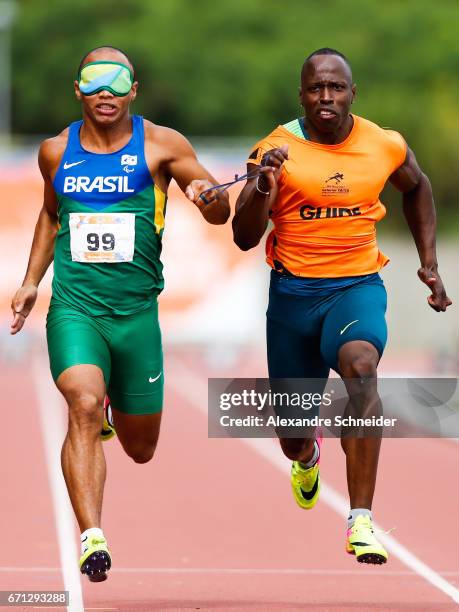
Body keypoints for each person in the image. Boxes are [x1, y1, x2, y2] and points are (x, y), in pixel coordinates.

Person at [10, 46, 230, 581]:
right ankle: (92, 536)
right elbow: (49, 213)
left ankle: (116, 408)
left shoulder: (160, 145)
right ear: (78, 89)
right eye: (93, 79)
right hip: (76, 309)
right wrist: (31, 281)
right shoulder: (55, 151)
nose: (105, 90)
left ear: (133, 90)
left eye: (117, 80)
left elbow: (220, 209)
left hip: (136, 316)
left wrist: (206, 197)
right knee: (82, 403)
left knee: (142, 447)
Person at [232, 48, 451, 564]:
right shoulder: (274, 147)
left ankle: (361, 521)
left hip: (356, 287)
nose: (325, 97)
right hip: (292, 297)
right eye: (315, 89)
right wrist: (264, 182)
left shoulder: (385, 144)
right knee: (291, 433)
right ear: (301, 95)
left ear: (354, 93)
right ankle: (305, 455)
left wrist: (430, 263)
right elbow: (243, 237)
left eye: (336, 88)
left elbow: (417, 187)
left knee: (361, 368)